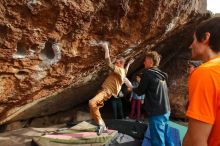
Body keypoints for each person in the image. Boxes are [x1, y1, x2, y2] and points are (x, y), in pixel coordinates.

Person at [183, 17, 220, 146]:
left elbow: (196, 141)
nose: (190, 45)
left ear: (205, 37)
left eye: (193, 39)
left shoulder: (207, 73)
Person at [89, 42, 133, 135]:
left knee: (91, 102)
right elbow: (126, 74)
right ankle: (103, 126)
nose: (115, 64)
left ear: (121, 63)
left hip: (106, 91)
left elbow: (108, 63)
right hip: (104, 91)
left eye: (116, 62)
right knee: (93, 107)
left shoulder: (120, 70)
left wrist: (106, 47)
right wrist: (129, 63)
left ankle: (101, 125)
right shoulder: (123, 72)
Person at [129, 51, 173, 146]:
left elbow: (140, 91)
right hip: (166, 110)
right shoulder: (161, 74)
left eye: (145, 60)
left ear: (150, 61)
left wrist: (131, 87)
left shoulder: (147, 73)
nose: (144, 63)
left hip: (156, 112)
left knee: (157, 140)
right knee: (166, 135)